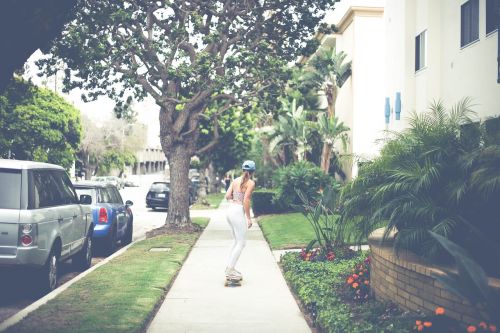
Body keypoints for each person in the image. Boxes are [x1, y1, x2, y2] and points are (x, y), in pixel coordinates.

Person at [224, 160, 256, 281]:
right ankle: (230, 270)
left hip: (230, 211)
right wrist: (248, 218)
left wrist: (235, 200)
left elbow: (227, 196)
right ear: (253, 171)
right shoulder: (250, 183)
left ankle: (229, 267)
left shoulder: (235, 180)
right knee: (241, 243)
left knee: (236, 241)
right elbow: (246, 200)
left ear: (242, 169)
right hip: (237, 213)